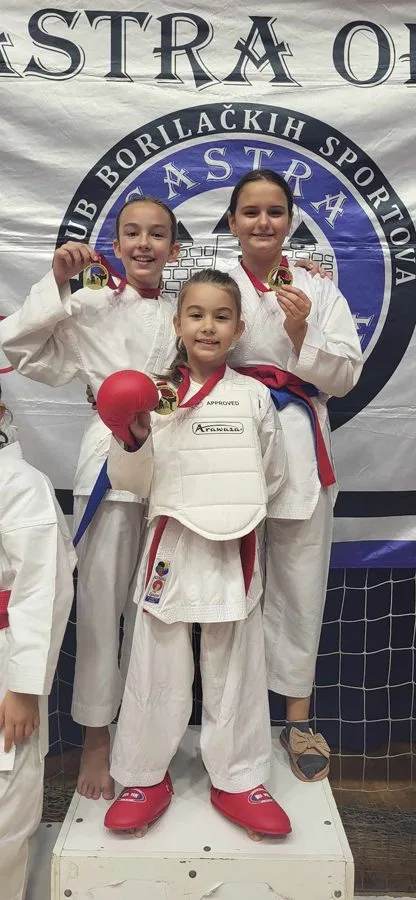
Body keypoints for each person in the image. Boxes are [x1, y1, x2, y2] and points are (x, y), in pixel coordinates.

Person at [0, 197, 180, 801]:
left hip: (175, 461)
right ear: (117, 243)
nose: (144, 243)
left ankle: (146, 733)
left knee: (159, 610)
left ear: (175, 248)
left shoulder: (186, 309)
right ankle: (96, 736)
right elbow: (20, 348)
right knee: (101, 605)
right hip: (108, 456)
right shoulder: (90, 304)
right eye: (132, 232)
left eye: (157, 234)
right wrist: (57, 280)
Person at [100, 269, 289, 840]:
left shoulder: (254, 396)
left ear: (238, 330)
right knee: (157, 658)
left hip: (236, 544)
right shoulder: (153, 395)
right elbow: (131, 480)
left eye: (222, 316)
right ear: (178, 324)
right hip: (173, 542)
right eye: (197, 315)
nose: (209, 326)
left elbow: (272, 472)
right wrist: (131, 436)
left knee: (237, 661)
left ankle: (240, 778)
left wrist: (234, 509)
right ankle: (143, 776)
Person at [226, 169, 363, 782]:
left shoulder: (317, 289)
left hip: (301, 442)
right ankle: (237, 714)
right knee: (230, 580)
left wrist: (303, 331)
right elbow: (187, 350)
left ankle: (298, 719)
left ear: (291, 221)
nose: (263, 222)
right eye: (251, 211)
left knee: (300, 582)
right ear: (233, 221)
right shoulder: (216, 283)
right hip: (229, 438)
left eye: (275, 211)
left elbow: (347, 377)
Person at [0, 384, 76, 900]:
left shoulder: (20, 483)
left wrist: (25, 688)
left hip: (6, 662)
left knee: (7, 797)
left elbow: (43, 587)